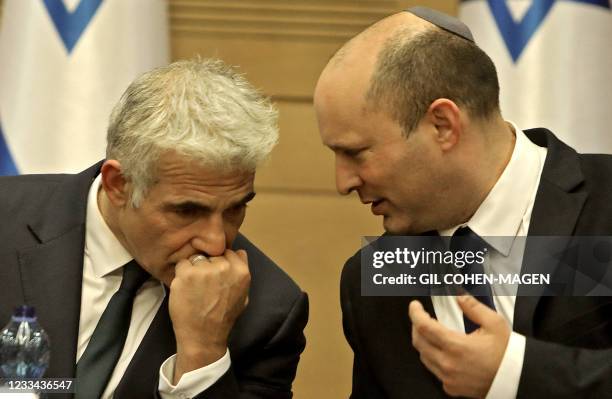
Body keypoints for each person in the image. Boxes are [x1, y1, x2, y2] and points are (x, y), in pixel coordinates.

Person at [313, 7, 612, 399]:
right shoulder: (373, 280)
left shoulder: (605, 205)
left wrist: (516, 374)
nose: (343, 182)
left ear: (443, 125)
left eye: (356, 152)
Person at [0, 58, 308, 399]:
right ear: (118, 184)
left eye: (236, 208)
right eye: (187, 210)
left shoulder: (268, 312)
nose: (215, 242)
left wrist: (203, 355)